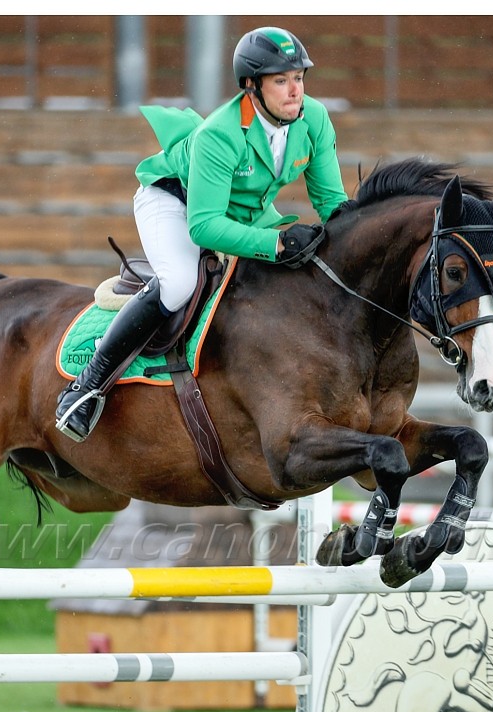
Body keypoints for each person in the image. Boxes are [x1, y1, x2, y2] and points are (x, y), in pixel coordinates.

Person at [55, 26, 349, 442]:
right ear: (251, 87)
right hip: (175, 201)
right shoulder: (220, 134)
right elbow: (204, 226)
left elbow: (332, 202)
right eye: (281, 81)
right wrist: (276, 243)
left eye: (299, 78)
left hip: (241, 209)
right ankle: (86, 387)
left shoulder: (313, 119)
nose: (294, 91)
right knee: (178, 284)